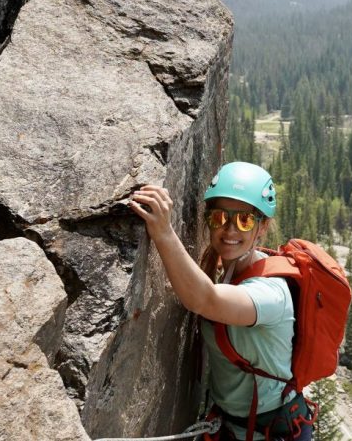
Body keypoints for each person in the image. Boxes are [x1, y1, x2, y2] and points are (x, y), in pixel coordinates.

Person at [128, 162, 313, 441]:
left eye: (244, 220)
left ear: (262, 227)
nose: (229, 230)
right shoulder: (228, 271)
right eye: (219, 217)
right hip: (234, 426)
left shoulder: (270, 293)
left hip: (271, 432)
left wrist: (163, 232)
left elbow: (206, 300)